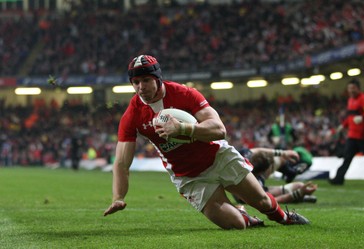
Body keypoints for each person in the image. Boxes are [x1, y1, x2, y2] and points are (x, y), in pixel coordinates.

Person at [103, 55, 310, 229]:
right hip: (189, 176)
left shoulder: (184, 94)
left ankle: (284, 217)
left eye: (146, 80)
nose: (141, 87)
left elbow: (220, 130)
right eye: (136, 82)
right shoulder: (132, 115)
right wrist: (118, 196)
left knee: (261, 201)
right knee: (236, 224)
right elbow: (121, 163)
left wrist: (182, 128)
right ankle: (244, 216)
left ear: (158, 78)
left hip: (218, 156)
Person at [329, 78, 364, 186]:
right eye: (349, 88)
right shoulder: (350, 100)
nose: (351, 91)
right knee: (347, 158)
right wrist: (343, 126)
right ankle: (339, 179)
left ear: (358, 89)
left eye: (353, 88)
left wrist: (362, 117)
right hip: (352, 136)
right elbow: (350, 117)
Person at [235, 147, 318, 204]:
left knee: (278, 158)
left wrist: (283, 153)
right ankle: (291, 173)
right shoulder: (255, 186)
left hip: (244, 181)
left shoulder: (244, 157)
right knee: (299, 186)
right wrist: (298, 193)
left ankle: (289, 171)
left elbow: (258, 151)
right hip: (246, 195)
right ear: (261, 173)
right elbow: (270, 201)